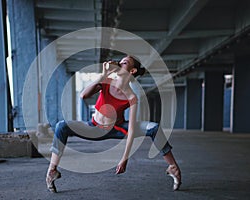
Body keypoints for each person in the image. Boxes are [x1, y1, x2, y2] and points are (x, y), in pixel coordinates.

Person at [46, 55, 181, 193]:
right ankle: (52, 171)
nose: (120, 63)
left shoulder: (131, 97)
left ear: (132, 71)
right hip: (94, 128)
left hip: (117, 129)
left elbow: (132, 131)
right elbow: (83, 95)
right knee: (61, 126)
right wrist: (103, 75)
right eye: (120, 61)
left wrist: (124, 159)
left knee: (154, 128)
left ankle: (173, 167)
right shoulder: (106, 81)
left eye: (125, 62)